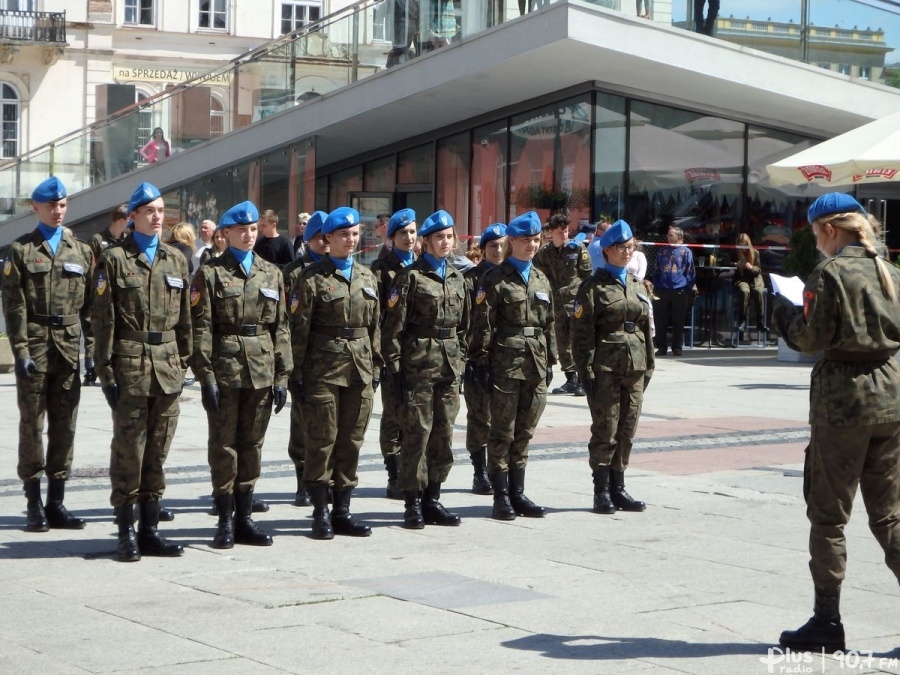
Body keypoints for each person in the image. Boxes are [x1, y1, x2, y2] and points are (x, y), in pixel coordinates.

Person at [772, 193, 900, 655]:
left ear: (828, 230)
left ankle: (827, 621)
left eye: (814, 233)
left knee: (828, 517)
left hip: (843, 403)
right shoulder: (891, 272)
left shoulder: (830, 273)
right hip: (890, 396)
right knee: (889, 515)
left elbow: (810, 338)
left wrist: (782, 310)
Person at [92, 182, 192, 562]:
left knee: (157, 452)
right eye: (149, 210)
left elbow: (185, 321)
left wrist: (184, 361)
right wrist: (105, 372)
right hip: (130, 364)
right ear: (131, 216)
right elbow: (103, 320)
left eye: (161, 209)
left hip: (167, 367)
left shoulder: (175, 259)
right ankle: (125, 532)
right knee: (129, 452)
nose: (157, 216)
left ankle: (150, 530)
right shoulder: (114, 259)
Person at [190, 201, 291, 549]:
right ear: (226, 234)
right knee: (224, 445)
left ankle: (245, 518)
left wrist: (282, 376)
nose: (248, 235)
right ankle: (224, 520)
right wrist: (205, 376)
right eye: (241, 230)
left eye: (252, 229)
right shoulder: (211, 273)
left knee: (252, 444)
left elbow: (280, 328)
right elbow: (200, 328)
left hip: (261, 370)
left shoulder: (271, 273)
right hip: (226, 368)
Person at [1, 176, 93, 533]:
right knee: (32, 426)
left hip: (68, 349)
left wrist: (90, 353)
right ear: (36, 208)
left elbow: (88, 309)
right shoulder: (21, 251)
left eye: (62, 204)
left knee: (65, 426)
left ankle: (57, 501)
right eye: (51, 205)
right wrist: (21, 350)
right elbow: (14, 307)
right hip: (36, 347)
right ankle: (33, 503)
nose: (58, 211)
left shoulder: (81, 251)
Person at [289, 207, 381, 540]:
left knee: (351, 441)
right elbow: (297, 329)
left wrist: (378, 366)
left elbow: (375, 327)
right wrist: (294, 373)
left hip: (359, 369)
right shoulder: (310, 278)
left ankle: (342, 510)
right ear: (328, 239)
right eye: (344, 235)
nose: (351, 240)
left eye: (355, 234)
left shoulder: (367, 277)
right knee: (322, 441)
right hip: (322, 370)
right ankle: (319, 511)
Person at [382, 210, 468, 529]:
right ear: (426, 242)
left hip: (449, 366)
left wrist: (463, 360)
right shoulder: (412, 277)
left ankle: (433, 498)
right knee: (417, 433)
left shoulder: (459, 278)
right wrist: (393, 370)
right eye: (438, 238)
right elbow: (393, 329)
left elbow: (466, 327)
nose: (445, 243)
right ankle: (412, 503)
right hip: (418, 366)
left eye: (449, 237)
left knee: (444, 433)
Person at [468, 210, 557, 521]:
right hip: (505, 363)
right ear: (512, 242)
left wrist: (551, 359)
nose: (531, 246)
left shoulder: (542, 277)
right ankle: (501, 495)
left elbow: (549, 323)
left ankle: (519, 493)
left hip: (535, 362)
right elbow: (483, 325)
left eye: (535, 240)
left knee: (525, 431)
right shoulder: (494, 278)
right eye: (525, 241)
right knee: (502, 431)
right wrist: (481, 362)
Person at [573, 220, 653, 515]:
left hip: (635, 367)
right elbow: (582, 335)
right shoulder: (592, 287)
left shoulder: (636, 285)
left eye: (631, 247)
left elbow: (645, 329)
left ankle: (619, 487)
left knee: (627, 429)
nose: (627, 252)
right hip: (605, 368)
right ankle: (601, 491)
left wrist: (649, 366)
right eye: (621, 248)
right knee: (605, 429)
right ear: (606, 250)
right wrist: (586, 372)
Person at [369, 208, 418, 500]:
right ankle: (394, 473)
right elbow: (376, 319)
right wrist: (382, 358)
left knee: (416, 416)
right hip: (392, 352)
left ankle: (412, 470)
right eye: (403, 233)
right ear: (392, 237)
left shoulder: (424, 266)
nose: (409, 238)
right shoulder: (380, 270)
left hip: (420, 353)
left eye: (412, 232)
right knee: (393, 416)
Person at [282, 210, 329, 508]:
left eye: (329, 237)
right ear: (309, 239)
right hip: (304, 358)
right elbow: (287, 320)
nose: (325, 243)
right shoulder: (294, 273)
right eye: (320, 238)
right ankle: (302, 479)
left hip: (333, 360)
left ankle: (325, 480)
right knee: (301, 423)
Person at [462, 223, 507, 495]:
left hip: (507, 357)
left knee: (503, 418)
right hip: (477, 358)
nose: (498, 250)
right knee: (479, 417)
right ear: (483, 249)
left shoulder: (511, 277)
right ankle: (479, 472)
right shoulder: (470, 279)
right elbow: (464, 321)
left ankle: (498, 469)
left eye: (502, 245)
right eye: (493, 245)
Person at [534, 212, 591, 396]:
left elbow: (587, 275)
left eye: (566, 231)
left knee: (578, 342)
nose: (564, 234)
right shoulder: (544, 253)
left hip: (575, 304)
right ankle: (571, 378)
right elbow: (537, 275)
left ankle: (583, 380)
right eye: (560, 231)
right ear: (551, 232)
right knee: (561, 344)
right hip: (556, 305)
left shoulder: (577, 248)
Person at [652, 225, 694, 357]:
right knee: (660, 320)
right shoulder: (662, 251)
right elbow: (656, 269)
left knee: (678, 320)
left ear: (679, 237)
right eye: (668, 235)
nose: (668, 237)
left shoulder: (686, 252)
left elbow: (690, 271)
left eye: (671, 235)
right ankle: (662, 347)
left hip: (679, 290)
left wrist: (686, 287)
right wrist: (657, 285)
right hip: (662, 289)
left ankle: (677, 347)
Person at [733, 232, 767, 335]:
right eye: (741, 244)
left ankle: (760, 321)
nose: (743, 247)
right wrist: (736, 264)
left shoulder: (755, 253)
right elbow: (725, 262)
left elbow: (758, 269)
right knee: (744, 291)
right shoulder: (735, 252)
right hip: (741, 278)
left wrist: (751, 267)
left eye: (745, 244)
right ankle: (742, 321)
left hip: (753, 278)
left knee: (758, 291)